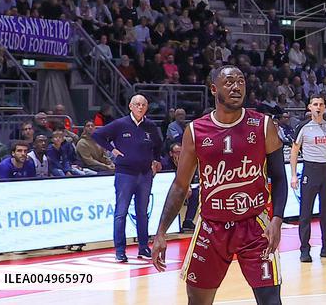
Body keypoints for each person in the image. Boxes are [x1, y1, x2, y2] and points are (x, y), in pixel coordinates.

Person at [152, 66, 286, 304]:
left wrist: (276, 220)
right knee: (197, 301)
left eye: (241, 81)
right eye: (229, 82)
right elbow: (180, 186)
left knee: (271, 301)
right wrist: (161, 232)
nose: (236, 87)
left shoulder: (263, 125)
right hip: (211, 227)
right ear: (214, 89)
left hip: (254, 226)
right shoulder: (195, 131)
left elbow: (278, 177)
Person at [93, 95, 164, 262]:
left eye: (143, 105)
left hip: (145, 174)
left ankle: (143, 248)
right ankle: (120, 250)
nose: (140, 107)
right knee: (121, 212)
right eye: (137, 104)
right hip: (125, 174)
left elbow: (159, 145)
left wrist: (156, 160)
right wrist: (112, 149)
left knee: (142, 213)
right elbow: (98, 135)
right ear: (131, 106)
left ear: (146, 107)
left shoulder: (151, 126)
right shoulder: (120, 124)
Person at [289, 95, 326, 263]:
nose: (318, 107)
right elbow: (294, 151)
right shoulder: (303, 127)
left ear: (325, 107)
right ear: (309, 107)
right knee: (305, 212)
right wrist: (293, 174)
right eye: (315, 104)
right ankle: (304, 250)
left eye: (321, 104)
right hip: (310, 170)